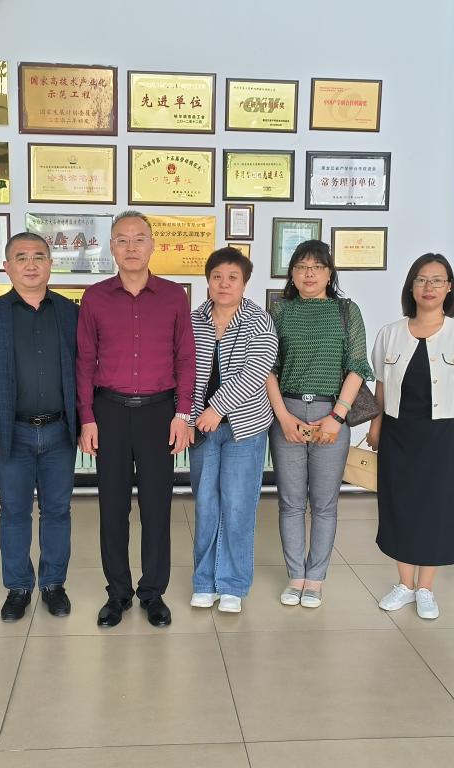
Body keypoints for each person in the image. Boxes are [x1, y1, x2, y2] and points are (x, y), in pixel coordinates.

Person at [76, 211, 195, 628]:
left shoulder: (174, 296)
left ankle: (153, 593)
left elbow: (186, 358)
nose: (131, 247)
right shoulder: (95, 297)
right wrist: (87, 418)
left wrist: (183, 413)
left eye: (139, 239)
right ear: (111, 246)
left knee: (156, 506)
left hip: (160, 413)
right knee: (112, 507)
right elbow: (84, 361)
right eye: (122, 240)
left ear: (152, 245)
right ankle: (118, 593)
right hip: (108, 412)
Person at [367, 254, 454, 620]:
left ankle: (425, 589)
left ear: (449, 287)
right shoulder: (390, 333)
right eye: (421, 280)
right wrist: (375, 425)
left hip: (442, 436)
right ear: (411, 287)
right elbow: (381, 386)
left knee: (436, 508)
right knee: (400, 506)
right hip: (398, 432)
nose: (429, 287)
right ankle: (405, 584)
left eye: (437, 280)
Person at [0, 232, 79, 622]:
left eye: (39, 256)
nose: (31, 264)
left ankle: (53, 584)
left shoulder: (69, 313)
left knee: (57, 511)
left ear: (50, 264)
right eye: (21, 257)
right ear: (7, 266)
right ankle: (17, 587)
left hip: (60, 432)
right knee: (13, 512)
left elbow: (84, 372)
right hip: (10, 433)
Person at [266, 240, 374, 609]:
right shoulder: (280, 312)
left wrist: (337, 417)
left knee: (325, 504)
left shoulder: (346, 310)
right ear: (292, 274)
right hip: (288, 413)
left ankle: (315, 579)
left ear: (330, 273)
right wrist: (283, 417)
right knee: (290, 503)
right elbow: (269, 368)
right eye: (301, 266)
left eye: (317, 266)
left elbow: (357, 366)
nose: (309, 273)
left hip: (332, 413)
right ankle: (295, 576)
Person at [188, 248, 277, 614]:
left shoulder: (259, 320)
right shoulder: (193, 320)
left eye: (232, 278)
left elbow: (255, 372)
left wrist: (217, 408)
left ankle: (233, 584)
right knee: (206, 504)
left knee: (238, 506)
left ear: (244, 282)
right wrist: (191, 417)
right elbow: (183, 371)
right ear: (207, 281)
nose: (224, 284)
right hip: (202, 428)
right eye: (217, 277)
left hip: (245, 428)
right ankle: (204, 581)